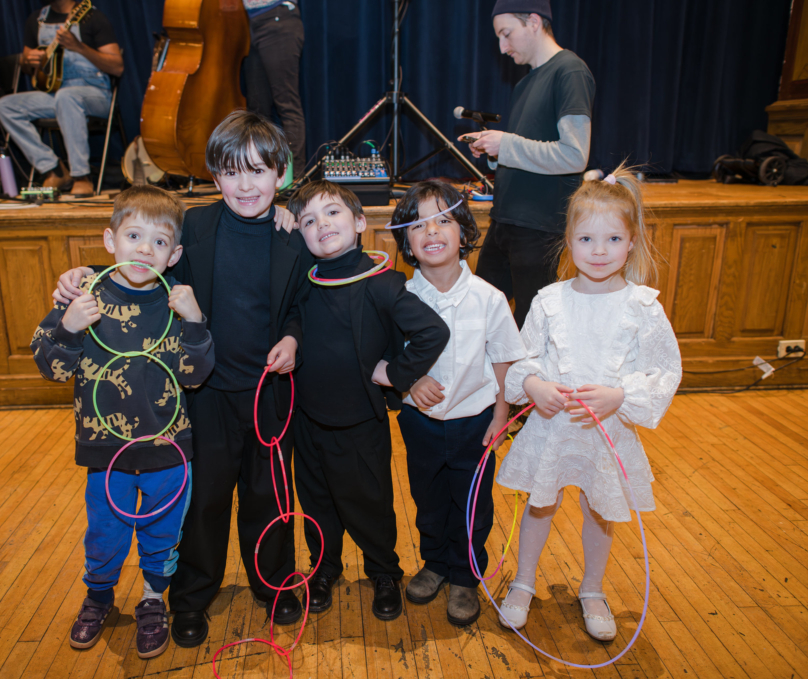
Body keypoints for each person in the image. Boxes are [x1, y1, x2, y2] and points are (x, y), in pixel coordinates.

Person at [52, 111, 311, 648]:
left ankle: (274, 584)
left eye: (260, 172)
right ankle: (191, 597)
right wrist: (80, 276)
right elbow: (136, 264)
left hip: (269, 393)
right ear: (215, 176)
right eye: (233, 172)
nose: (246, 184)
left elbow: (303, 305)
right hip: (202, 392)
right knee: (204, 501)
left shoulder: (294, 234)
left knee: (271, 497)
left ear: (280, 176)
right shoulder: (192, 227)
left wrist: (293, 337)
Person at [494, 166, 681, 641]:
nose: (599, 251)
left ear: (632, 241)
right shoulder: (549, 300)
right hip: (552, 427)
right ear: (569, 241)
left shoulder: (643, 306)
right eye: (587, 239)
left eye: (613, 239)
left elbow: (664, 371)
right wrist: (533, 386)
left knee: (601, 509)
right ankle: (522, 581)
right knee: (541, 504)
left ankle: (592, 589)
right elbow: (521, 359)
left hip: (607, 432)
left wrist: (620, 395)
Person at [30, 185, 214, 659]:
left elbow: (196, 377)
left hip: (167, 451)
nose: (143, 249)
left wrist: (195, 323)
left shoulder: (178, 303)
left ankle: (154, 598)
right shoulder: (82, 293)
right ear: (110, 240)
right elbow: (52, 368)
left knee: (161, 533)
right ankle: (98, 597)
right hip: (105, 451)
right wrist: (69, 327)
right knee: (105, 535)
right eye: (133, 235)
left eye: (158, 242)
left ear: (173, 255)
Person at [286, 180, 449, 619]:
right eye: (309, 220)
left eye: (333, 213)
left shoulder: (383, 285)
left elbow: (433, 332)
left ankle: (383, 571)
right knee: (317, 504)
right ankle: (323, 570)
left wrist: (396, 374)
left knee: (370, 505)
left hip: (360, 424)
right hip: (308, 420)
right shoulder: (302, 282)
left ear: (359, 222)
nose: (322, 224)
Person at [390, 181, 525, 626]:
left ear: (463, 231)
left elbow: (504, 359)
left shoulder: (488, 298)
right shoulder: (400, 298)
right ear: (406, 241)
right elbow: (390, 355)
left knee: (472, 503)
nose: (432, 231)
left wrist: (502, 415)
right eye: (419, 225)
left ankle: (466, 576)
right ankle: (435, 562)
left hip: (476, 422)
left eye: (443, 220)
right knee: (427, 498)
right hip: (421, 422)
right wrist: (412, 382)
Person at [463, 0, 595, 329]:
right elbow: (532, 149)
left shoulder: (570, 71)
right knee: (478, 318)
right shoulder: (524, 83)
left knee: (529, 329)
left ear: (534, 22)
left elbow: (574, 155)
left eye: (506, 34)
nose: (502, 46)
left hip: (538, 227)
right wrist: (495, 152)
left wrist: (505, 144)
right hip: (505, 221)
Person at [0, 0, 123, 197]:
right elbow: (28, 65)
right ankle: (53, 168)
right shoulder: (36, 20)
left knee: (67, 97)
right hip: (56, 93)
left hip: (95, 94)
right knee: (5, 105)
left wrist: (79, 47)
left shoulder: (92, 17)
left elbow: (117, 66)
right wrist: (29, 61)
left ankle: (82, 176)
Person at [242, 0, 306, 164]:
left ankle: (294, 179)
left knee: (287, 105)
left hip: (277, 19)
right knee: (257, 110)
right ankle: (259, 170)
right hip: (251, 23)